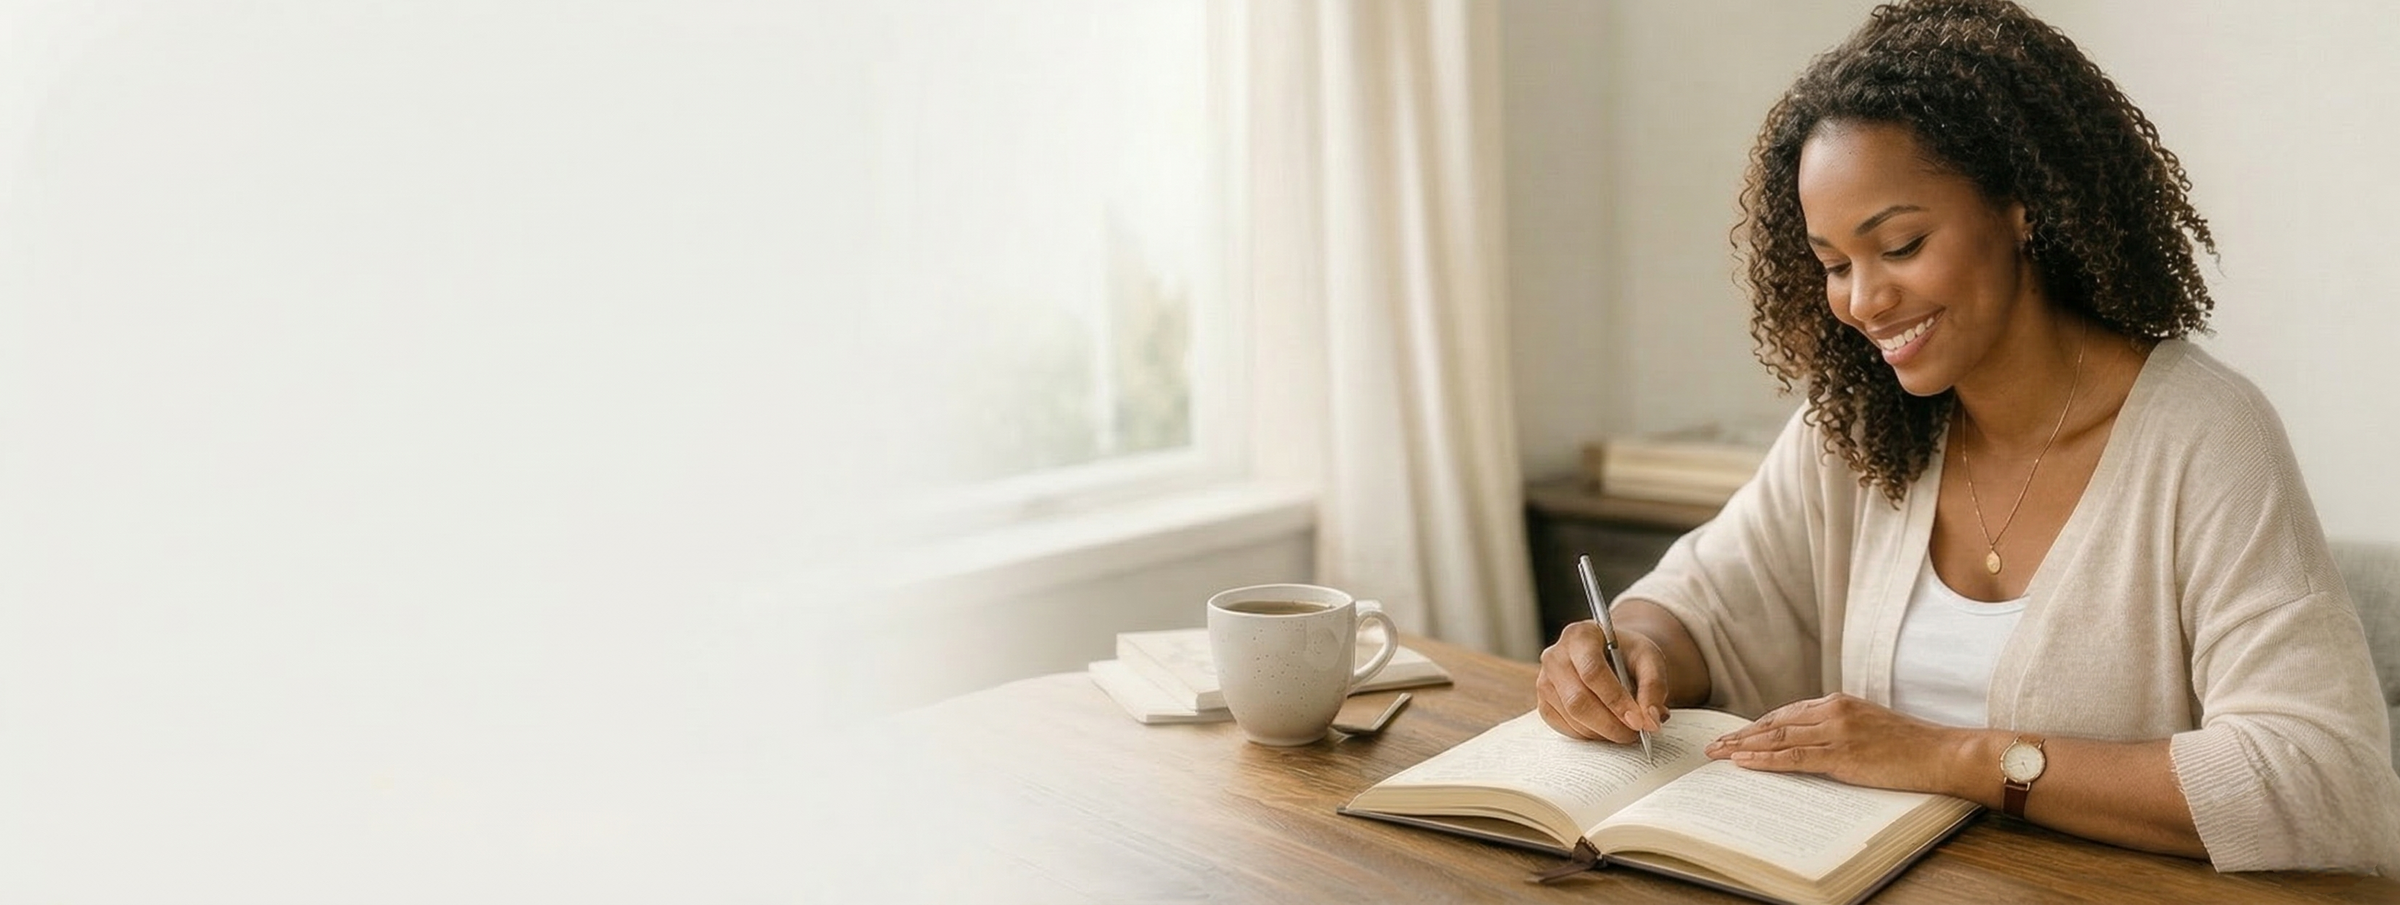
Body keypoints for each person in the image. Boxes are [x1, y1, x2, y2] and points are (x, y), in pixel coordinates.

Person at [1534, 0, 2400, 874]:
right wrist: (1626, 648)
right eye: (1834, 264)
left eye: (1901, 244)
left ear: (2021, 205)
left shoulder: (2205, 438)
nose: (1863, 301)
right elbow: (1702, 604)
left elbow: (2324, 779)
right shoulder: (1858, 427)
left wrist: (1952, 755)